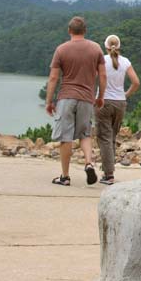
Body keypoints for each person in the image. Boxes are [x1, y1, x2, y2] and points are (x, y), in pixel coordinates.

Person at [45, 16, 106, 187]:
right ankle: (88, 163)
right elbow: (102, 75)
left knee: (66, 138)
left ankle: (65, 177)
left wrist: (49, 101)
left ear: (69, 31)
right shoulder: (96, 49)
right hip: (87, 98)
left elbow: (53, 78)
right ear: (85, 31)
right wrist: (100, 96)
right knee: (85, 134)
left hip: (66, 97)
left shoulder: (61, 49)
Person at [95, 34, 140, 185]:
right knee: (112, 138)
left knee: (104, 138)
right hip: (120, 103)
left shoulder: (101, 60)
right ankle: (108, 170)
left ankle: (108, 174)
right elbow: (136, 82)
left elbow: (92, 78)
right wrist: (125, 94)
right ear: (118, 46)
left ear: (106, 46)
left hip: (104, 101)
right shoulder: (125, 61)